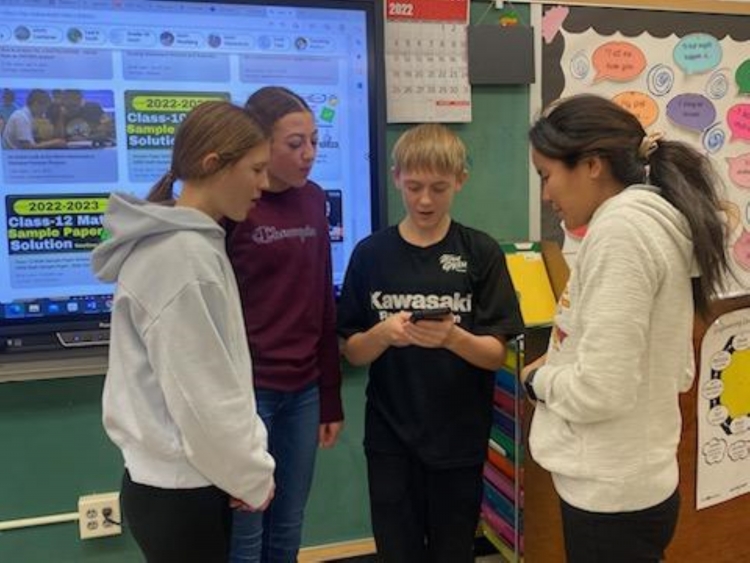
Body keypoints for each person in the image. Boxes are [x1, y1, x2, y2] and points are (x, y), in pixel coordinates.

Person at [522, 94, 729, 563]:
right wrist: (563, 360)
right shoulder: (647, 223)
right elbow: (670, 366)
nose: (546, 195)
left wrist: (539, 381)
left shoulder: (622, 234)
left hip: (610, 498)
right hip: (630, 486)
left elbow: (602, 390)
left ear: (592, 165)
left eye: (546, 175)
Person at [91, 100, 276, 563]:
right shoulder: (181, 258)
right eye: (256, 169)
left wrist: (240, 468)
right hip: (180, 491)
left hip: (185, 482)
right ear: (214, 165)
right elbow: (202, 396)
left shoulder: (192, 245)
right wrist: (251, 475)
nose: (264, 184)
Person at [337, 123, 524, 563]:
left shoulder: (480, 252)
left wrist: (453, 338)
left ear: (460, 180)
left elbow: (495, 353)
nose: (425, 200)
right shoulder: (371, 254)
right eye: (414, 186)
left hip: (459, 437)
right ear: (395, 177)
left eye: (438, 188)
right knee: (397, 550)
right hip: (390, 437)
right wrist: (384, 334)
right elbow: (353, 351)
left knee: (452, 550)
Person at [227, 86, 343, 563]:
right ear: (260, 145)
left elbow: (322, 299)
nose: (309, 154)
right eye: (295, 144)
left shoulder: (313, 199)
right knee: (245, 531)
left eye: (314, 141)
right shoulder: (235, 207)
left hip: (304, 392)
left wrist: (330, 394)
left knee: (288, 526)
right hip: (248, 392)